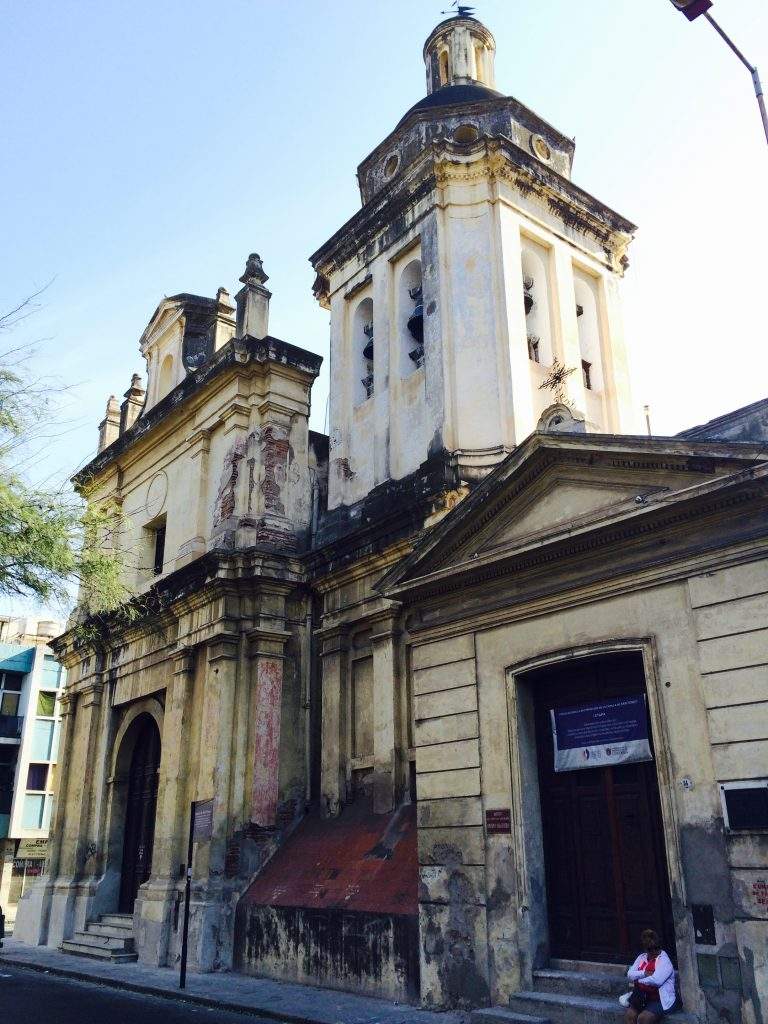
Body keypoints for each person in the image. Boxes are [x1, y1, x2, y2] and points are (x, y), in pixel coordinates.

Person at [624, 929, 677, 1023]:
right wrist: (644, 973)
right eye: (650, 949)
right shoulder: (641, 958)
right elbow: (630, 974)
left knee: (643, 1019)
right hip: (641, 996)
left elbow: (657, 980)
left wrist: (638, 981)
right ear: (645, 949)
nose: (654, 951)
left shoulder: (664, 960)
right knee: (630, 1016)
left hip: (659, 999)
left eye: (656, 948)